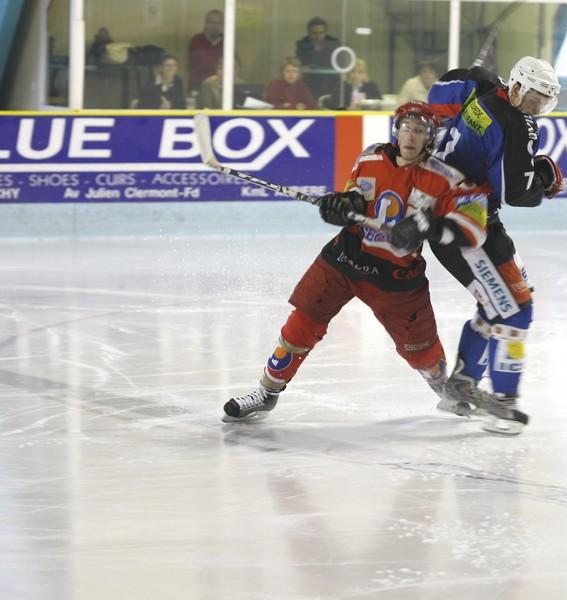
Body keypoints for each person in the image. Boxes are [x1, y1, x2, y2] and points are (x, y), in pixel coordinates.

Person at [221, 102, 525, 432]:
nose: (411, 136)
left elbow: (474, 224)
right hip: (344, 260)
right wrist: (342, 205)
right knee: (301, 325)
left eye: (420, 130)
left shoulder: (444, 178)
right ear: (396, 131)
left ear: (430, 136)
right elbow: (356, 196)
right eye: (406, 128)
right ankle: (267, 392)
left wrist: (430, 226)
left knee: (423, 355)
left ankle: (447, 393)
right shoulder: (371, 157)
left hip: (396, 280)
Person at [425, 57, 565, 432]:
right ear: (517, 86)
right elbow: (517, 193)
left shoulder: (482, 88)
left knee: (497, 303)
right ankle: (504, 401)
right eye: (534, 98)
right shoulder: (516, 124)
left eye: (543, 102)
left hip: (448, 218)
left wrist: (467, 75)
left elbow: (438, 92)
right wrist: (545, 181)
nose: (537, 108)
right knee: (517, 311)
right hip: (467, 227)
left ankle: (464, 383)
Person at [295, 16, 342, 99]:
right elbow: (298, 64)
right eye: (314, 33)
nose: (318, 36)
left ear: (325, 32)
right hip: (309, 83)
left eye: (321, 32)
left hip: (330, 82)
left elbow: (339, 64)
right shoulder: (302, 44)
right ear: (309, 33)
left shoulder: (334, 44)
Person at [188, 9, 224, 90]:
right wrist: (219, 69)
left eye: (218, 23)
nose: (215, 26)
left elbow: (235, 65)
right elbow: (199, 66)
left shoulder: (227, 41)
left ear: (222, 25)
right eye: (211, 22)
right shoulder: (196, 41)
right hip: (200, 86)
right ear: (206, 24)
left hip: (222, 86)